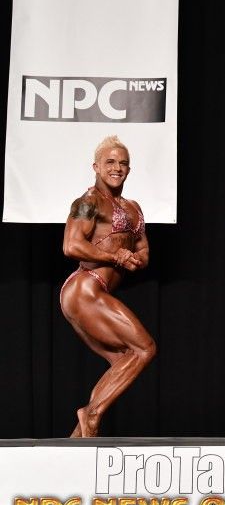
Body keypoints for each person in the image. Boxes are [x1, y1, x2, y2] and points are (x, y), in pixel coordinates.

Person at [59, 136, 154, 437]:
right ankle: (91, 414)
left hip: (95, 292)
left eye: (123, 163)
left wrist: (136, 259)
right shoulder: (88, 202)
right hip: (85, 288)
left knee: (124, 360)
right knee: (144, 348)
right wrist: (115, 256)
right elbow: (71, 245)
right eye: (110, 162)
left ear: (129, 169)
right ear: (96, 167)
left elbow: (143, 249)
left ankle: (75, 442)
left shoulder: (134, 208)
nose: (117, 168)